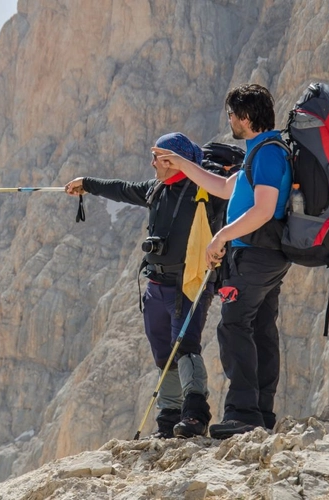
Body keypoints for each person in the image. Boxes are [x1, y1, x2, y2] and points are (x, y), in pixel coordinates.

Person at [152, 84, 292, 439]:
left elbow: (263, 209)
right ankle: (259, 413)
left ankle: (244, 413)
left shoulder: (269, 154)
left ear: (245, 117)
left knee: (233, 326)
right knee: (259, 328)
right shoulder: (257, 152)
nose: (229, 120)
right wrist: (182, 162)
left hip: (256, 255)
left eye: (232, 114)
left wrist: (221, 236)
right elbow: (224, 187)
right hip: (259, 255)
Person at [65, 132, 226, 439]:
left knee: (186, 347)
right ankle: (168, 420)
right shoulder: (156, 190)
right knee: (163, 353)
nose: (152, 162)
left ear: (172, 160)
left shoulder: (202, 189)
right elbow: (121, 189)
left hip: (187, 283)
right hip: (157, 284)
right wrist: (86, 182)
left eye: (157, 156)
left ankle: (195, 415)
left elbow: (232, 190)